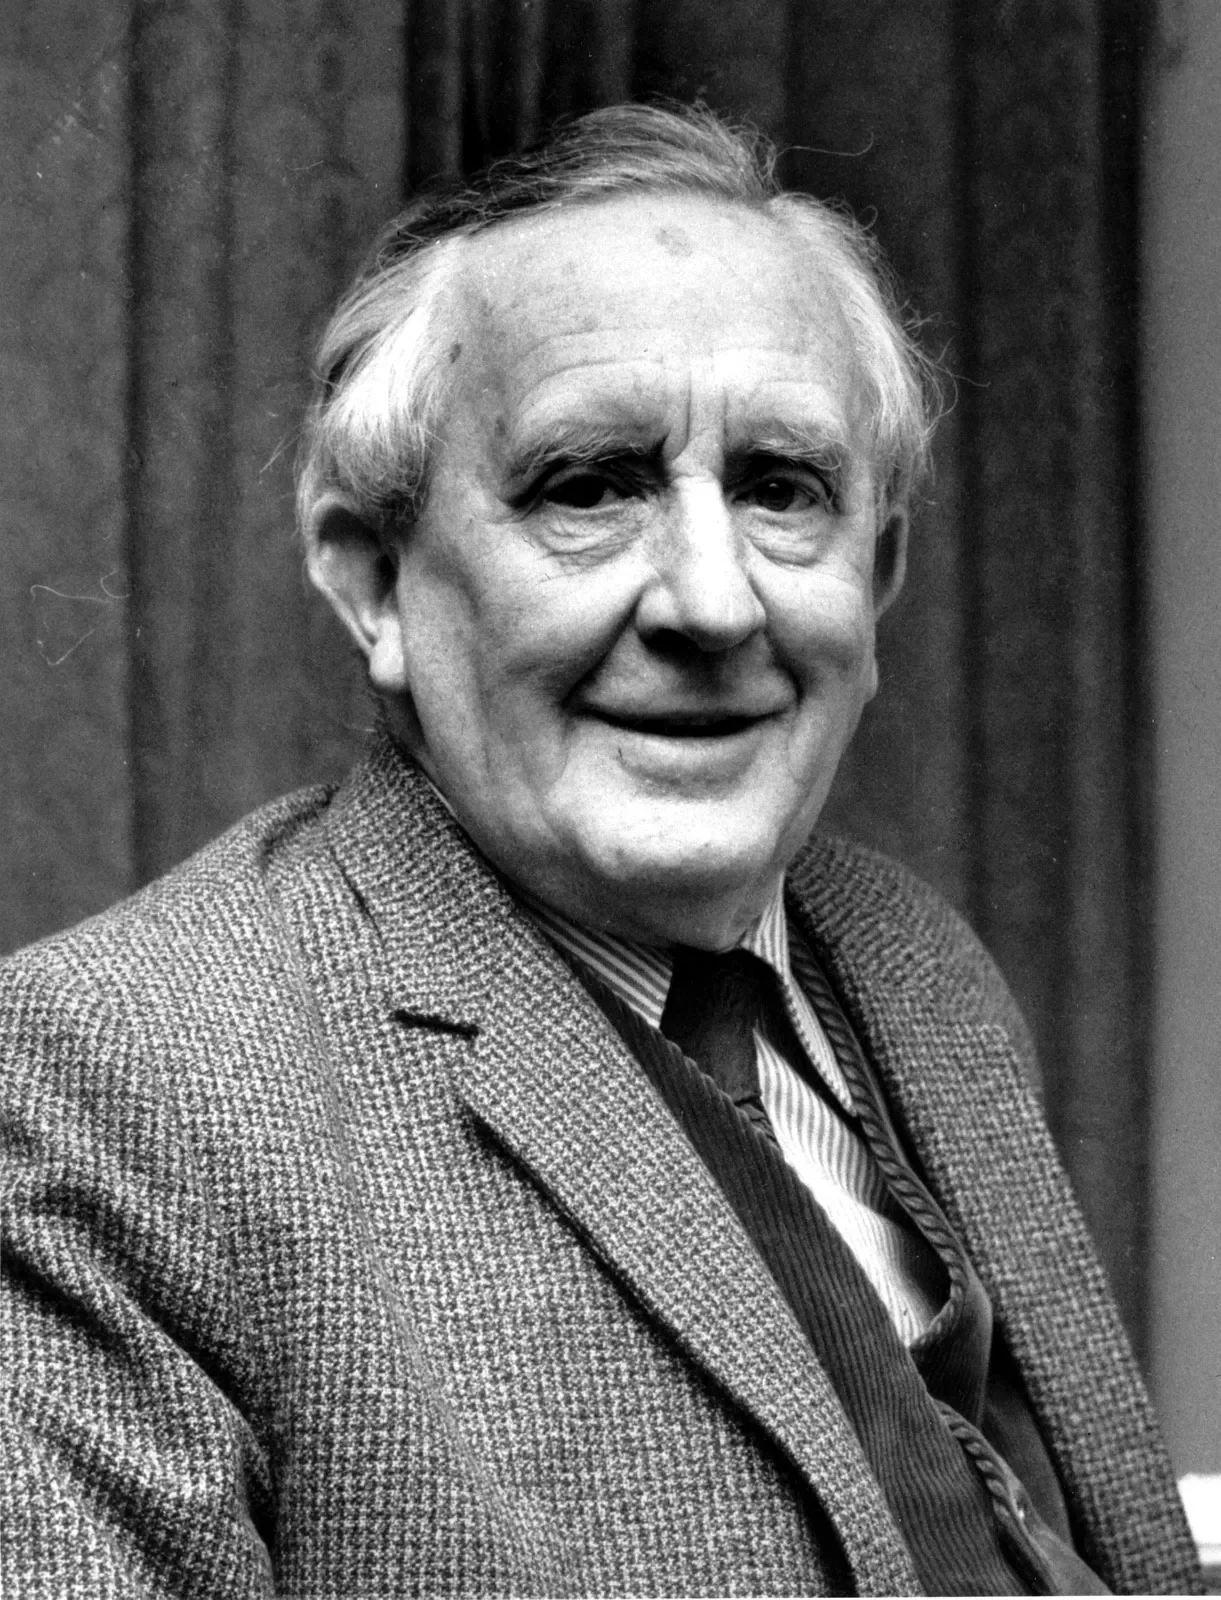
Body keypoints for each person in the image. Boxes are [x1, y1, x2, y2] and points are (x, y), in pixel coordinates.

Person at [1, 103, 1202, 1598]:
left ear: (877, 574)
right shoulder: (114, 1081)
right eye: (589, 486)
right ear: (373, 579)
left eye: (780, 490)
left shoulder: (914, 960)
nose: (713, 602)